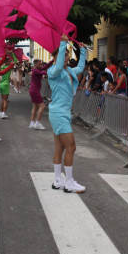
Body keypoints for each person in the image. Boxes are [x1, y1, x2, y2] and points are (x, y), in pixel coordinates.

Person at [47, 35, 88, 193]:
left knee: (60, 148)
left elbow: (80, 68)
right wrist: (63, 44)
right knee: (71, 147)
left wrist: (83, 51)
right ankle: (69, 181)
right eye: (60, 56)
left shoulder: (69, 70)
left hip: (63, 113)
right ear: (55, 58)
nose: (64, 58)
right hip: (58, 113)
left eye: (66, 56)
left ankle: (58, 180)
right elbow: (57, 67)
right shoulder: (53, 71)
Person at [29, 59, 49, 130]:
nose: (42, 65)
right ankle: (37, 123)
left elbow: (44, 67)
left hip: (33, 90)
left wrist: (52, 61)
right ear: (36, 65)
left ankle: (32, 123)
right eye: (40, 64)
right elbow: (44, 73)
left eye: (41, 64)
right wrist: (52, 70)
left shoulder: (37, 69)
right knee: (42, 106)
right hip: (35, 91)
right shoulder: (35, 70)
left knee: (35, 107)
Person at [0, 52, 17, 119]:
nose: (10, 62)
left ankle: (1, 112)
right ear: (6, 62)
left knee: (3, 100)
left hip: (1, 84)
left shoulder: (2, 67)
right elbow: (15, 61)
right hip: (6, 84)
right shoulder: (8, 67)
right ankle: (3, 113)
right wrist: (12, 54)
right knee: (5, 100)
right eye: (9, 61)